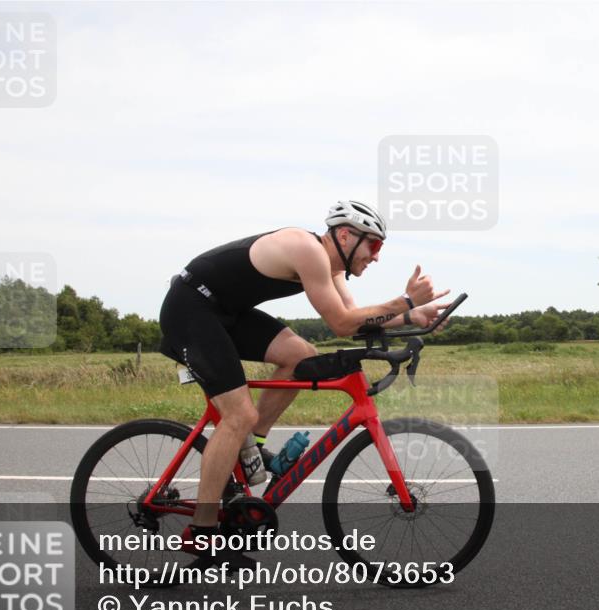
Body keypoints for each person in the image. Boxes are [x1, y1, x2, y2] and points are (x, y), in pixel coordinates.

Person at [158, 200, 450, 564]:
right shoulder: (306, 249)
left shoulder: (332, 268)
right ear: (346, 236)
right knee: (238, 416)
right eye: (374, 245)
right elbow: (340, 323)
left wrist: (411, 316)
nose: (376, 256)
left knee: (301, 356)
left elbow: (354, 319)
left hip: (225, 313)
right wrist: (405, 301)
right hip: (191, 309)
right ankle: (202, 532)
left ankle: (252, 451)